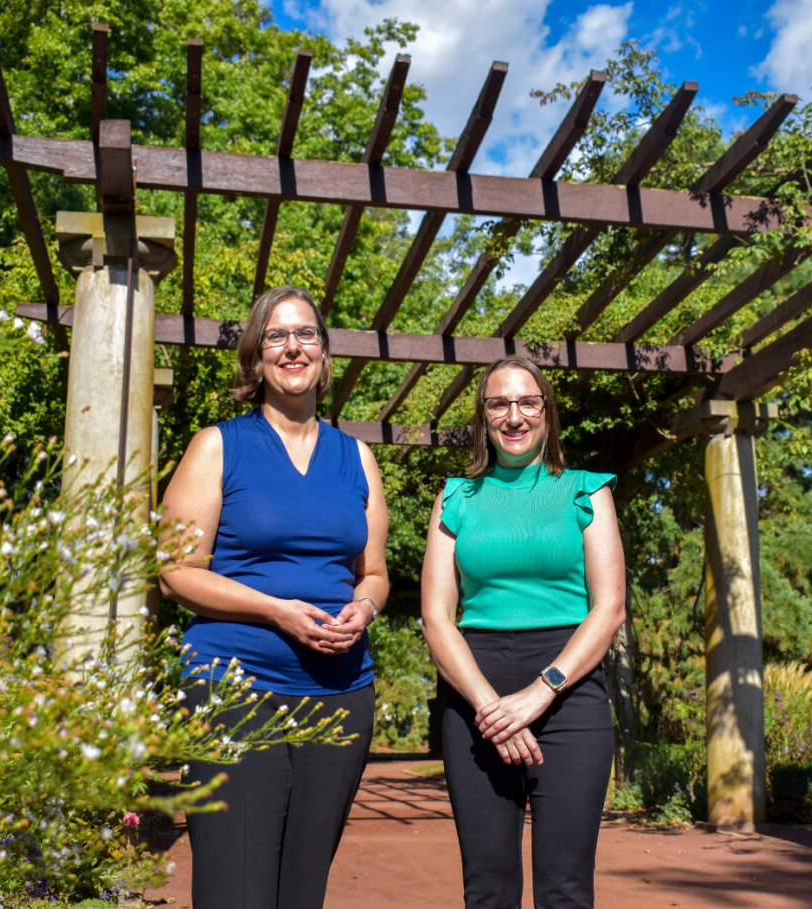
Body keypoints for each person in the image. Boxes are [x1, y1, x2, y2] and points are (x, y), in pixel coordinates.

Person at [159, 285, 388, 909]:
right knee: (236, 890)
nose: (293, 347)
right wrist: (276, 611)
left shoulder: (357, 457)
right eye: (277, 336)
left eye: (306, 334)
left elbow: (373, 573)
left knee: (301, 893)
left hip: (340, 698)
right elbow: (175, 572)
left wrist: (363, 609)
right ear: (256, 358)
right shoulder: (217, 445)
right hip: (235, 689)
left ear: (324, 353)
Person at [421, 355, 626, 909]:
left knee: (565, 889)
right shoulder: (456, 496)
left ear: (546, 412)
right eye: (499, 403)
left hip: (570, 693)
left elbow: (608, 609)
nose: (514, 416)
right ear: (484, 415)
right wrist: (492, 707)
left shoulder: (588, 491)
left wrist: (539, 693)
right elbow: (437, 616)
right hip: (474, 692)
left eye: (527, 402)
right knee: (487, 890)